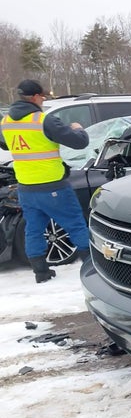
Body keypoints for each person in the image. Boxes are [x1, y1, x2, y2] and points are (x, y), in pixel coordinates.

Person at [0, 79, 90, 283]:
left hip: (26, 187)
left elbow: (6, 144)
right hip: (53, 186)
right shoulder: (43, 120)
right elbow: (79, 142)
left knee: (33, 229)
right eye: (42, 97)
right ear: (34, 97)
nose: (43, 100)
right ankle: (91, 267)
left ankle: (41, 272)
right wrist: (78, 128)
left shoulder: (6, 122)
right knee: (76, 225)